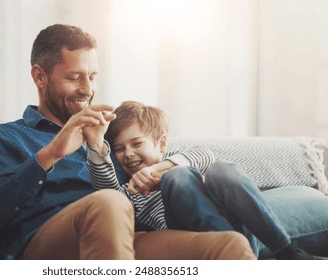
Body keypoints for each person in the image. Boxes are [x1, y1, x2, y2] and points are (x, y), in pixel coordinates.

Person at [0, 23, 255, 260]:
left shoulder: (109, 139)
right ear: (39, 76)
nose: (87, 89)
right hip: (45, 246)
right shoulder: (6, 137)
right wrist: (49, 155)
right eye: (74, 77)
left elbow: (166, 163)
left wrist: (104, 149)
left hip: (128, 240)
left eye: (93, 76)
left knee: (229, 246)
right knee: (108, 203)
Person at [87, 100, 325, 260]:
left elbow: (204, 154)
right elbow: (106, 192)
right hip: (192, 227)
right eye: (119, 148)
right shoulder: (130, 189)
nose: (128, 153)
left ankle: (286, 252)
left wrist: (160, 169)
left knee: (221, 170)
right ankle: (243, 256)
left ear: (160, 144)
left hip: (228, 218)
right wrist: (97, 145)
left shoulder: (176, 159)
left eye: (137, 143)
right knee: (177, 178)